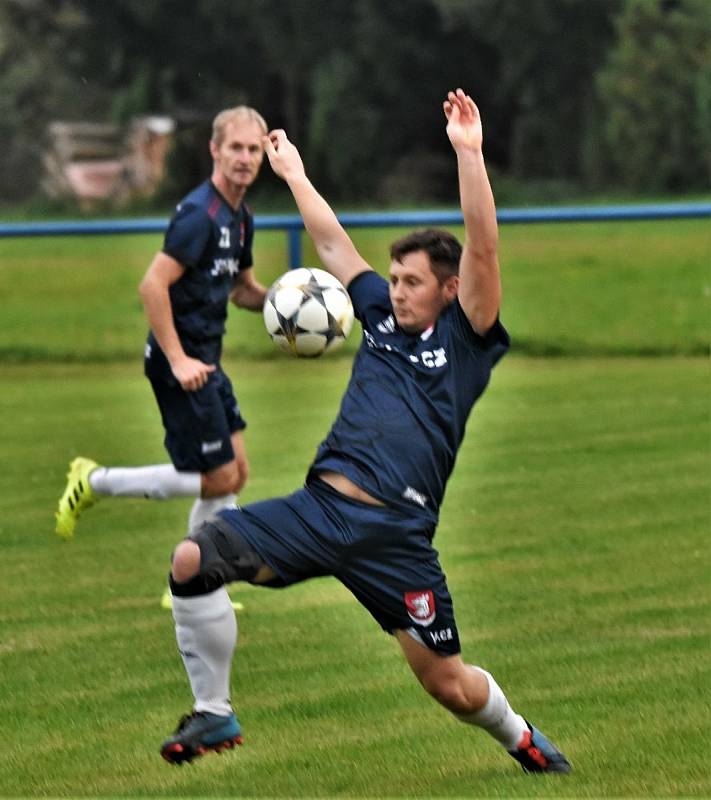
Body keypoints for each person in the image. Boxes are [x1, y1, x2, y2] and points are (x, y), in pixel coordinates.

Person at [159, 89, 572, 775]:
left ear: (447, 290)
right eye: (396, 277)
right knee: (190, 562)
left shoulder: (465, 338)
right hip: (318, 512)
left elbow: (484, 246)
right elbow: (330, 241)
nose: (398, 289)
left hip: (396, 540)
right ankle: (213, 711)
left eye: (413, 281)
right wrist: (291, 172)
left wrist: (468, 154)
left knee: (448, 684)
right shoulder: (378, 312)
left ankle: (520, 737)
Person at [55, 106, 270, 556]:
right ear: (215, 150)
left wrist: (296, 305)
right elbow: (152, 285)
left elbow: (242, 291)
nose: (245, 157)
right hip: (179, 362)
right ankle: (95, 482)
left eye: (253, 149)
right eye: (236, 147)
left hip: (206, 361)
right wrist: (178, 360)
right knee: (220, 477)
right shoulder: (200, 214)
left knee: (237, 473)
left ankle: (193, 582)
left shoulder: (242, 217)